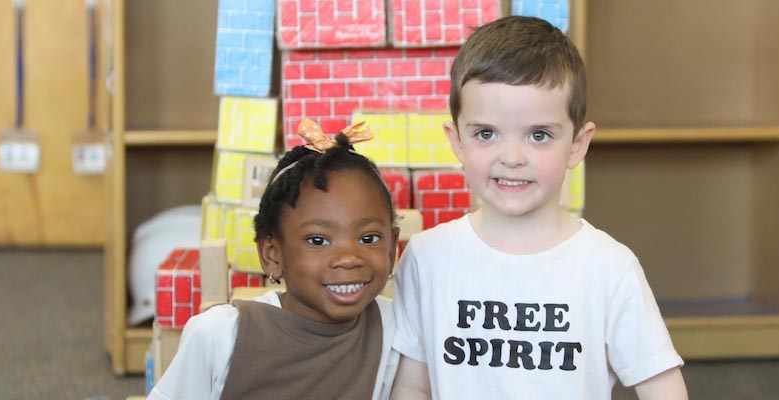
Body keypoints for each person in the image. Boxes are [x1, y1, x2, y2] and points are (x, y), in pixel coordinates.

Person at [389, 16, 688, 399]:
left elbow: (662, 386)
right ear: (457, 139)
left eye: (539, 135)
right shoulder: (426, 258)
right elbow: (413, 386)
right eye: (486, 133)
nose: (512, 157)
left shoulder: (609, 267)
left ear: (578, 145)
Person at [149, 127, 401, 400]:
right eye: (318, 240)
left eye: (369, 238)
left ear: (391, 250)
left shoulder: (397, 330)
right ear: (272, 254)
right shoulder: (221, 336)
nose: (349, 258)